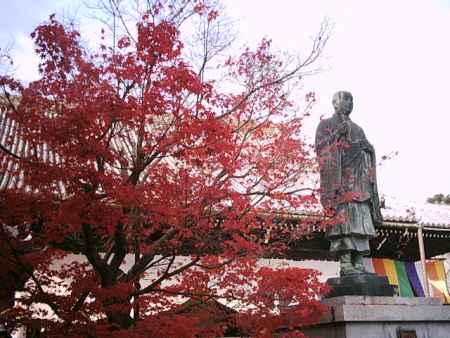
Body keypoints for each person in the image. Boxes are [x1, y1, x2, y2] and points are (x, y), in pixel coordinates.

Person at [315, 91, 382, 275]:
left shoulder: (359, 129)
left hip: (359, 183)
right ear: (334, 103)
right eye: (344, 99)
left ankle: (359, 263)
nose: (348, 103)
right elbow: (321, 149)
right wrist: (337, 134)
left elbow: (367, 150)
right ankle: (346, 263)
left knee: (361, 221)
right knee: (344, 223)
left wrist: (368, 150)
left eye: (351, 100)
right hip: (340, 182)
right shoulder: (326, 124)